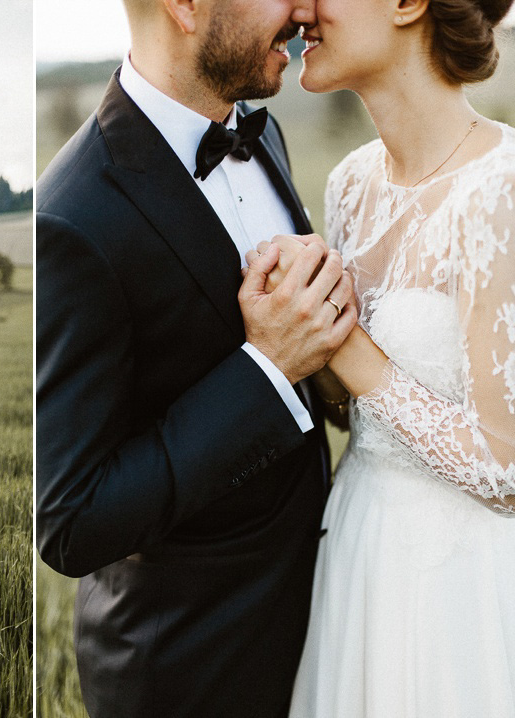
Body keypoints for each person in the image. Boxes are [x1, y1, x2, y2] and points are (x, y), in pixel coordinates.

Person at [35, 0, 358, 715]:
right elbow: (70, 519)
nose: (303, 8)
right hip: (191, 670)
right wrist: (266, 367)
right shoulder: (69, 219)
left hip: (323, 634)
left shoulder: (261, 133)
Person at [241, 0, 515, 715]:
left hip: (461, 586)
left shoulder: (502, 188)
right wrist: (294, 318)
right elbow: (352, 416)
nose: (299, 7)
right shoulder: (351, 187)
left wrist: (346, 344)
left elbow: (504, 466)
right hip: (359, 552)